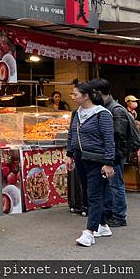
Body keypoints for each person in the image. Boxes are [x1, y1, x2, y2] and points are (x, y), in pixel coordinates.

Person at [66, 81, 115, 247]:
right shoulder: (76, 114)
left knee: (94, 195)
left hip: (97, 160)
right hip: (80, 158)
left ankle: (89, 232)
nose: (72, 97)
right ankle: (103, 226)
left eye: (75, 94)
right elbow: (71, 134)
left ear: (86, 96)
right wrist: (70, 154)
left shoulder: (103, 114)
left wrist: (108, 163)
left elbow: (109, 140)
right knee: (87, 194)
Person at [93, 79, 133, 227]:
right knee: (111, 185)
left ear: (98, 92)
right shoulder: (107, 107)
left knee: (116, 185)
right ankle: (111, 213)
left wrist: (112, 156)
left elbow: (118, 136)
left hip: (116, 154)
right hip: (110, 153)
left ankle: (120, 216)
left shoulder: (115, 109)